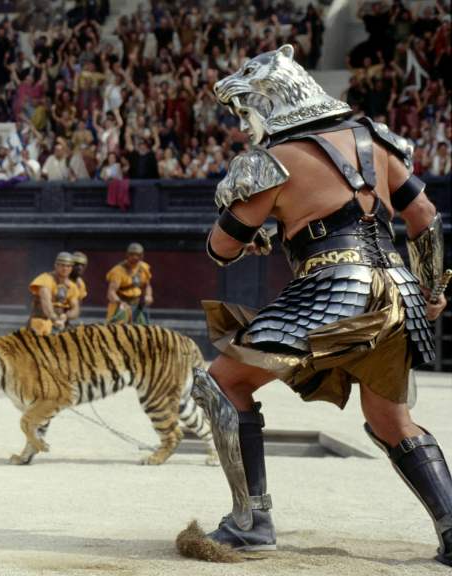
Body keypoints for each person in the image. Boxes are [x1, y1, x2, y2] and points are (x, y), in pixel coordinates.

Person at [184, 45, 450, 566]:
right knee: (392, 420)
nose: (244, 123)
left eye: (245, 110)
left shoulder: (272, 161)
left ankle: (249, 523)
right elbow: (424, 214)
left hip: (332, 286)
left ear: (267, 103)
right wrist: (433, 289)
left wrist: (248, 234)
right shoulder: (375, 140)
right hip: (397, 289)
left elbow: (222, 247)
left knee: (221, 382)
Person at [27, 252, 80, 336]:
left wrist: (66, 316)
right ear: (56, 265)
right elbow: (46, 302)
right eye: (62, 265)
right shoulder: (45, 279)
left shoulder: (72, 286)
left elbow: (75, 309)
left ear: (71, 268)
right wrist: (54, 318)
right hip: (41, 323)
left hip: (61, 325)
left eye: (68, 266)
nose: (65, 268)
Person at [105, 243, 153, 325]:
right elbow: (111, 293)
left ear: (142, 256)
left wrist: (148, 295)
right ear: (127, 255)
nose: (135, 257)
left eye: (138, 255)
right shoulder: (118, 271)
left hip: (136, 304)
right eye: (132, 254)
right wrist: (120, 302)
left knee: (143, 327)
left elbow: (147, 285)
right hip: (121, 305)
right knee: (117, 328)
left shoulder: (144, 268)